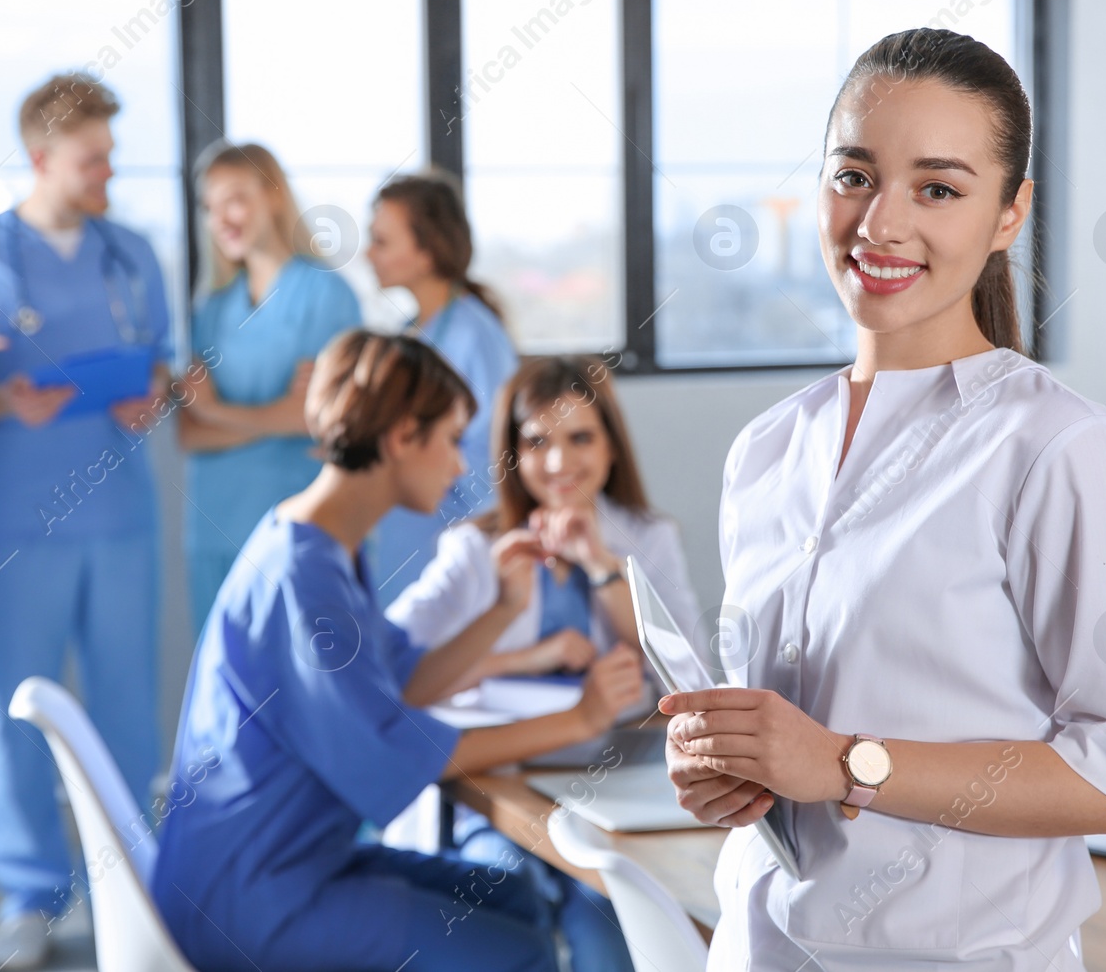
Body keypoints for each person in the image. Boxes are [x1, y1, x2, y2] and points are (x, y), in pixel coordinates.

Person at [660, 29, 1106, 971]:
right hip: (758, 943)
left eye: (937, 188)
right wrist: (730, 773)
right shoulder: (768, 449)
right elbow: (789, 744)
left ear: (1008, 214)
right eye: (854, 176)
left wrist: (848, 763)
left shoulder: (1051, 442)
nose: (880, 223)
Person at [152, 329, 646, 972]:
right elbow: (400, 750)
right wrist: (580, 720)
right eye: (448, 440)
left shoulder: (318, 546)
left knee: (521, 900)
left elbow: (402, 679)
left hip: (296, 861)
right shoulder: (305, 580)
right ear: (401, 438)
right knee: (520, 954)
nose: (461, 465)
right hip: (250, 893)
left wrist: (500, 609)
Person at [0, 73, 174, 970]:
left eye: (110, 154)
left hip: (121, 518)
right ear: (41, 158)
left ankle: (128, 880)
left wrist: (155, 399)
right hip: (20, 525)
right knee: (17, 711)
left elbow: (165, 367)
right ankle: (30, 897)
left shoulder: (132, 253)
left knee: (128, 713)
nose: (107, 171)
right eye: (91, 158)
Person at [387, 353, 700, 972]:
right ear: (511, 452)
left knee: (603, 926)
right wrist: (530, 655)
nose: (559, 463)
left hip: (609, 782)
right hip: (496, 786)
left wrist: (603, 567)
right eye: (536, 442)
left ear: (611, 445)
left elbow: (685, 677)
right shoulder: (475, 549)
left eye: (580, 437)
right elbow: (391, 673)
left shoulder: (647, 537)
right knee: (510, 900)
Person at [179, 141, 361, 630]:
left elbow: (319, 417)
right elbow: (188, 434)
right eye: (211, 207)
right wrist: (276, 414)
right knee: (225, 690)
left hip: (293, 526)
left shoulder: (326, 295)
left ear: (274, 195)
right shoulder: (210, 310)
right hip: (214, 527)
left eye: (236, 199)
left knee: (295, 681)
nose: (222, 218)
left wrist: (217, 411)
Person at [364, 171, 517, 606]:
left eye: (382, 241)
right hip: (400, 537)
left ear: (426, 251)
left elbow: (495, 459)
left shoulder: (475, 336)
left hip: (447, 542)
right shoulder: (409, 334)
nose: (367, 254)